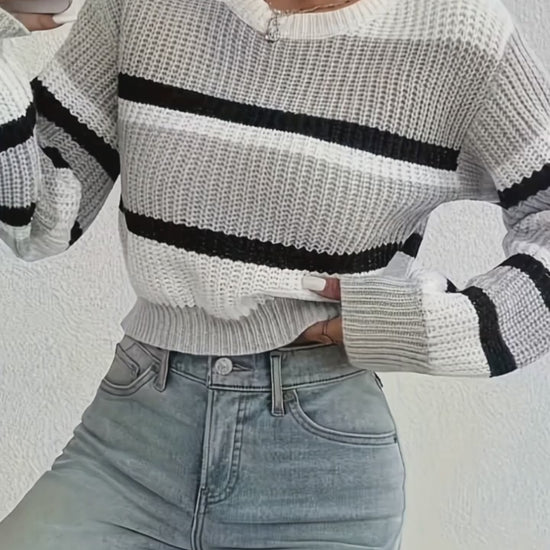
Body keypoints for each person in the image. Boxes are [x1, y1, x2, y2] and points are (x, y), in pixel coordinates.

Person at [1, 0, 549, 548]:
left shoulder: (460, 33)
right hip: (130, 439)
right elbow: (40, 218)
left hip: (317, 469)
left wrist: (428, 327)